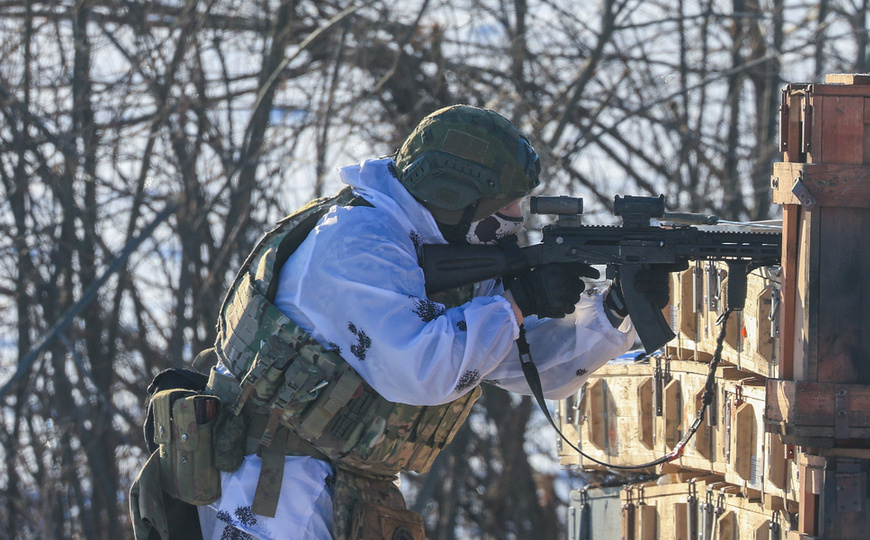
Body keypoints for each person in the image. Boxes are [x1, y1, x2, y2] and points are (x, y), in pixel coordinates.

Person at [131, 104, 673, 540]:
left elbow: (523, 362)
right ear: (455, 199)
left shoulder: (438, 242)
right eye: (506, 207)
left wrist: (614, 311)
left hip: (323, 487)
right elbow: (422, 368)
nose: (516, 221)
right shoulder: (356, 244)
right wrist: (515, 302)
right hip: (267, 490)